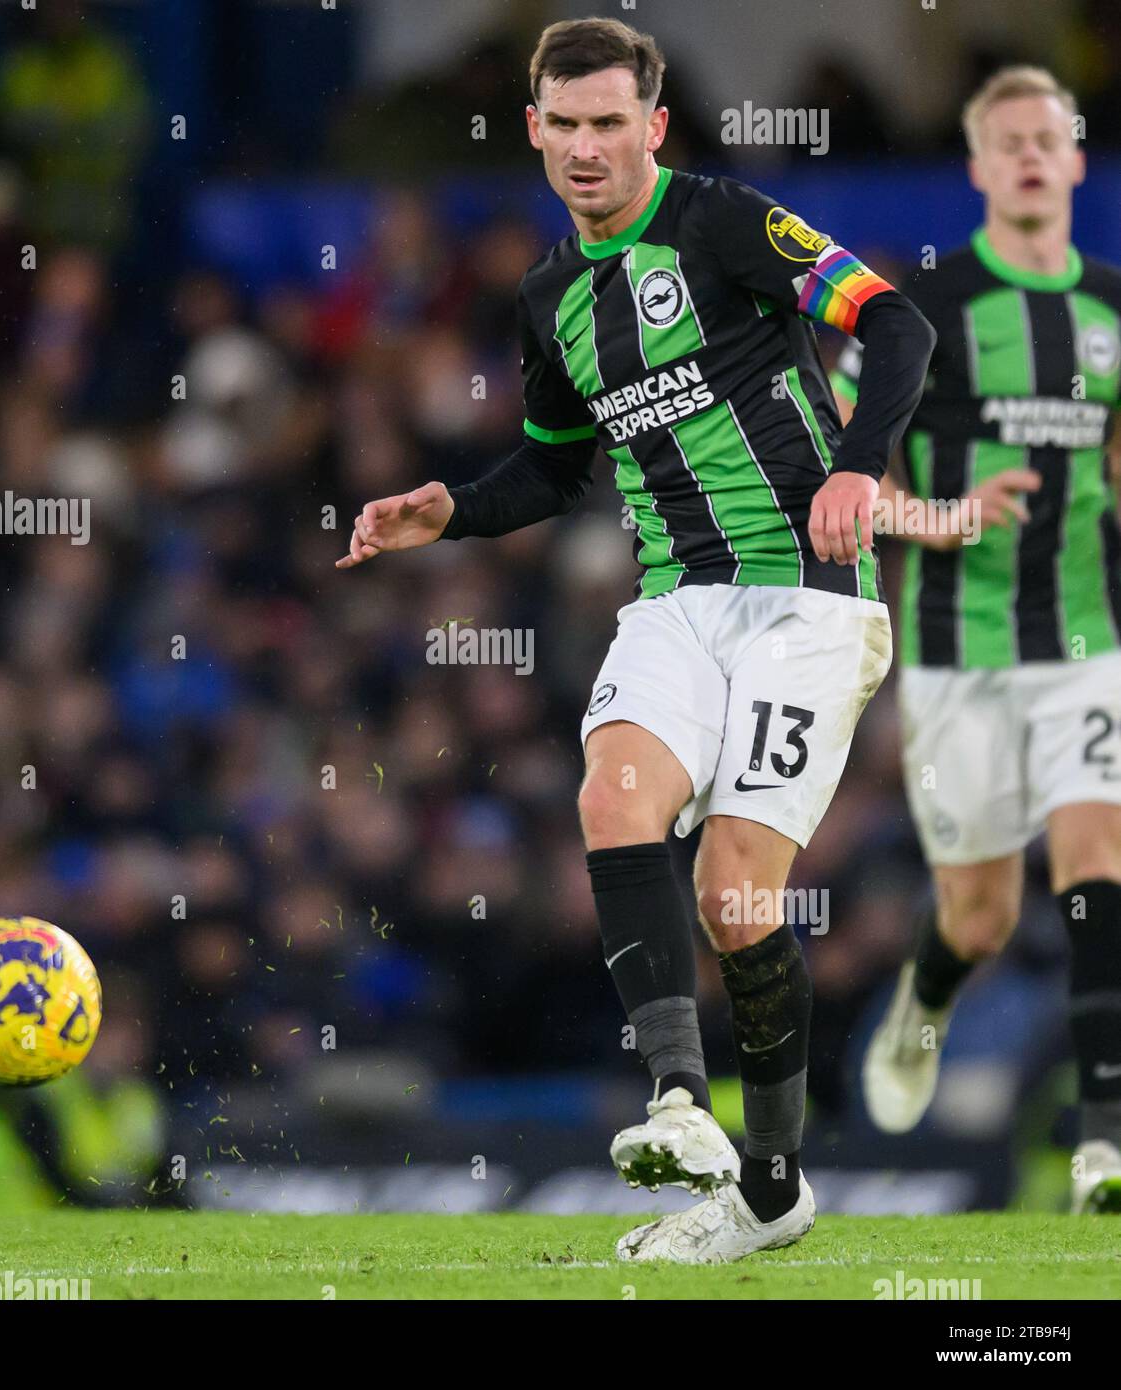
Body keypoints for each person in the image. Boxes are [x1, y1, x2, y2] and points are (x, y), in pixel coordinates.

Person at [338, 17, 933, 1262]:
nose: (589, 148)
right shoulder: (549, 297)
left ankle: (769, 1191)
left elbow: (897, 326)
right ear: (536, 134)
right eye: (567, 126)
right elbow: (554, 470)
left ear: (653, 127)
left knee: (732, 888)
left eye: (613, 123)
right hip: (671, 599)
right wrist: (445, 508)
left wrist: (858, 470)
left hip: (805, 597)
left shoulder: (722, 221)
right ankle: (677, 1104)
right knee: (614, 797)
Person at [836, 67, 1121, 1214]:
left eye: (1046, 140)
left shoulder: (1112, 303)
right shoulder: (927, 308)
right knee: (984, 914)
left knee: (1096, 865)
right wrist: (935, 516)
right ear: (977, 167)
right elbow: (848, 476)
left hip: (1086, 640)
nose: (1029, 157)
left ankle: (1102, 1137)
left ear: (1074, 159)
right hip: (958, 649)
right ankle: (927, 998)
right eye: (1006, 142)